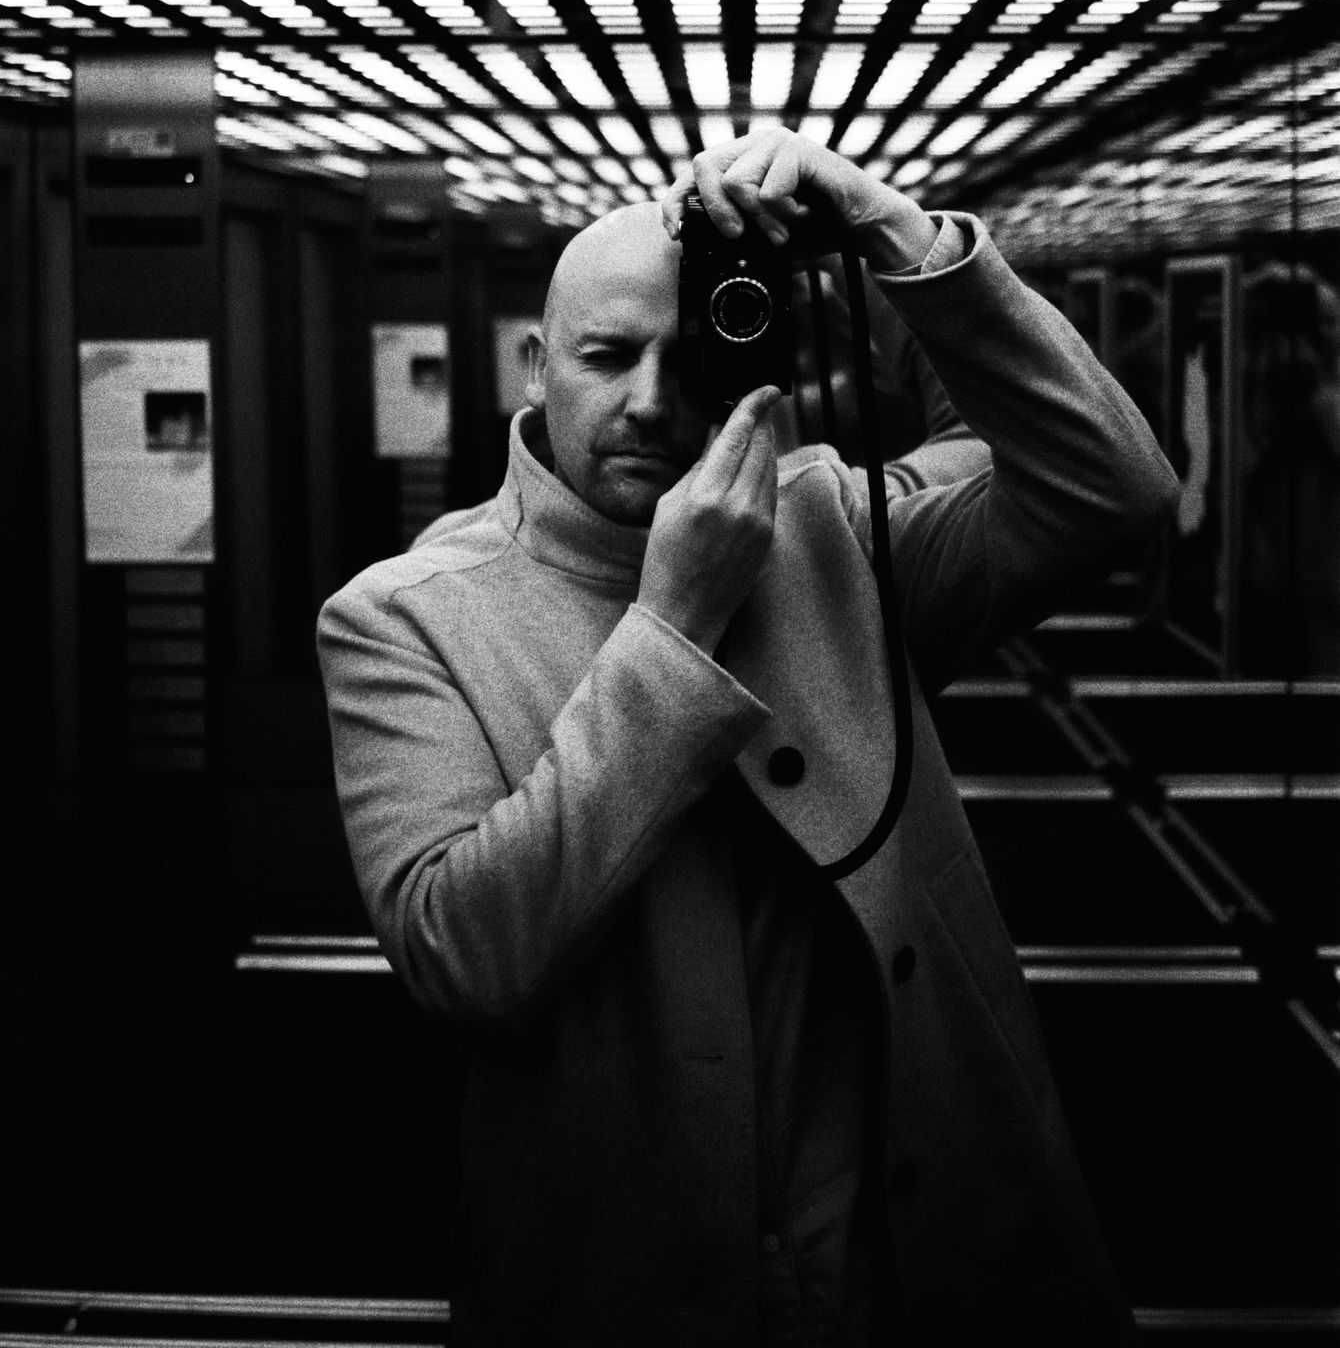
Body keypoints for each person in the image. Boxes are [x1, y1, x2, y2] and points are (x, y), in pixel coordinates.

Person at [317, 128, 1178, 1347]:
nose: (649, 401)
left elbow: (1117, 491)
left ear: (752, 357)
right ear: (531, 365)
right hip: (627, 1276)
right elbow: (467, 951)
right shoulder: (404, 616)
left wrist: (893, 230)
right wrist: (673, 622)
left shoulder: (831, 523)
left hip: (915, 1255)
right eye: (605, 357)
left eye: (692, 356)